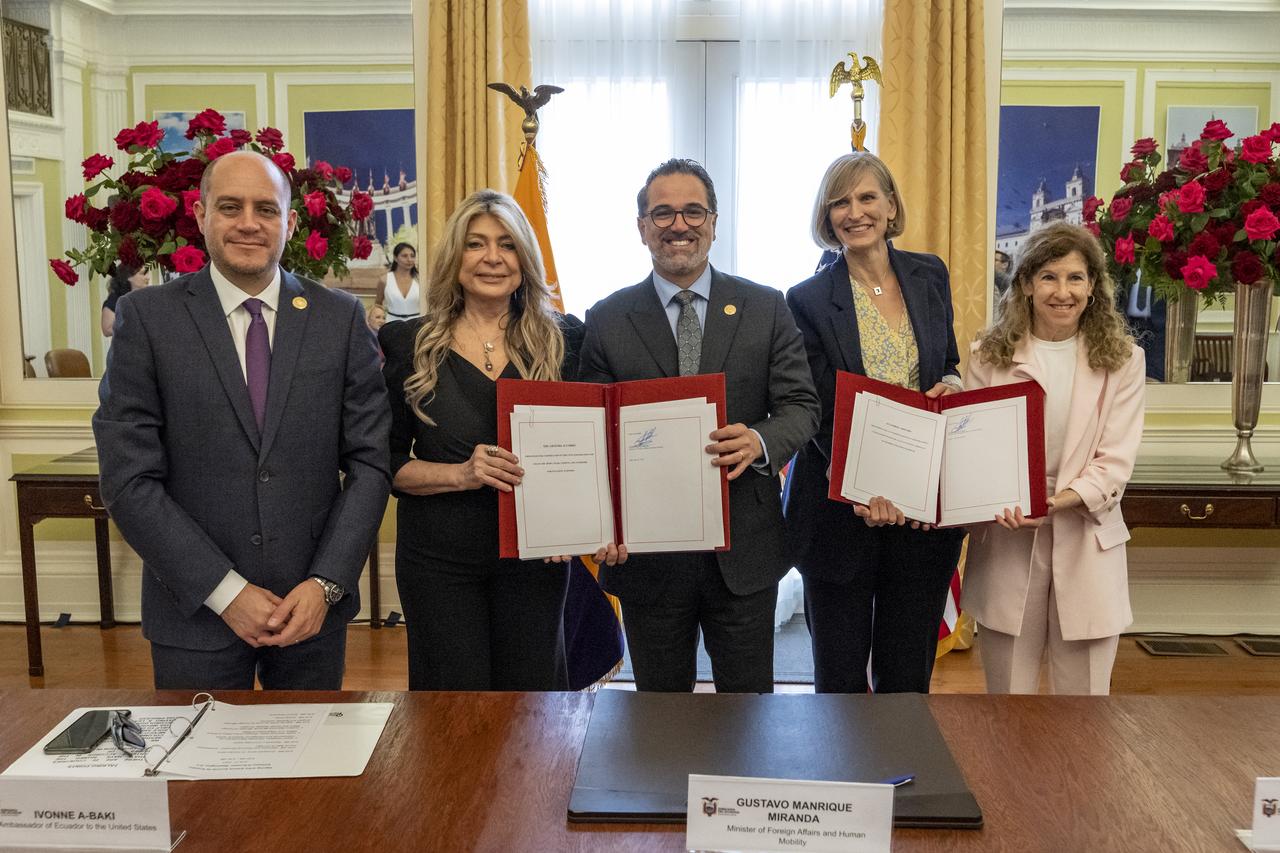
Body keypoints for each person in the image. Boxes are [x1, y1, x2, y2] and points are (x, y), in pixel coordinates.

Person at [92, 150, 391, 690]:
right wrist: (226, 592)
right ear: (201, 215)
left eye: (266, 209)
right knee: (200, 774)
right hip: (195, 617)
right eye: (230, 207)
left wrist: (326, 584)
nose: (249, 223)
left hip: (311, 617)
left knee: (312, 771)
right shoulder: (147, 320)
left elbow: (370, 465)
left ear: (290, 222)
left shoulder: (339, 319)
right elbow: (129, 479)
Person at [578, 159, 819, 694]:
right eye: (662, 213)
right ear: (641, 227)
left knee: (747, 708)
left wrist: (759, 440)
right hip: (647, 556)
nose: (678, 225)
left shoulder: (765, 307)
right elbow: (591, 434)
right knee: (661, 713)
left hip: (743, 551)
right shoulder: (608, 318)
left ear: (713, 221)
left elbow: (802, 406)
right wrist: (597, 522)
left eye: (693, 211)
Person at [380, 189, 615, 691]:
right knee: (452, 712)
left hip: (536, 562)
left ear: (524, 259)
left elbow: (596, 455)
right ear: (454, 258)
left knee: (532, 709)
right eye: (476, 244)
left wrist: (586, 527)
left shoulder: (567, 341)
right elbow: (386, 464)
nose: (492, 258)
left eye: (507, 245)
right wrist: (460, 474)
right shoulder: (408, 344)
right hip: (438, 562)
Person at [784, 152, 966, 694]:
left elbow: (947, 360)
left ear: (890, 205)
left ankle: (900, 779)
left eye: (867, 197)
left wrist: (952, 384)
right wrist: (863, 484)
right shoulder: (807, 299)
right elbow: (814, 410)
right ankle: (842, 778)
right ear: (826, 216)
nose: (854, 212)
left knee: (907, 675)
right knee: (838, 679)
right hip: (842, 511)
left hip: (922, 512)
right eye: (839, 201)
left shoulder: (930, 274)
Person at [965, 221, 1145, 695]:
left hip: (1085, 535)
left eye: (1075, 278)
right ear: (1025, 284)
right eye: (1048, 277)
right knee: (1007, 704)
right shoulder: (987, 357)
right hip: (1008, 538)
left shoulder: (1125, 359)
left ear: (1092, 288)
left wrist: (1052, 503)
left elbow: (1114, 463)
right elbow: (973, 453)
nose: (1061, 291)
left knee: (1083, 709)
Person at [101, 264, 149, 337]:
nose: (148, 278)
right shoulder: (115, 299)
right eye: (142, 274)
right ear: (129, 277)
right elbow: (107, 330)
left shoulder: (147, 296)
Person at [377, 241, 421, 321]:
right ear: (395, 258)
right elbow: (378, 304)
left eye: (412, 256)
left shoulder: (420, 279)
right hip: (392, 323)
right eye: (404, 256)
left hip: (416, 323)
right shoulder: (384, 280)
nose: (409, 259)